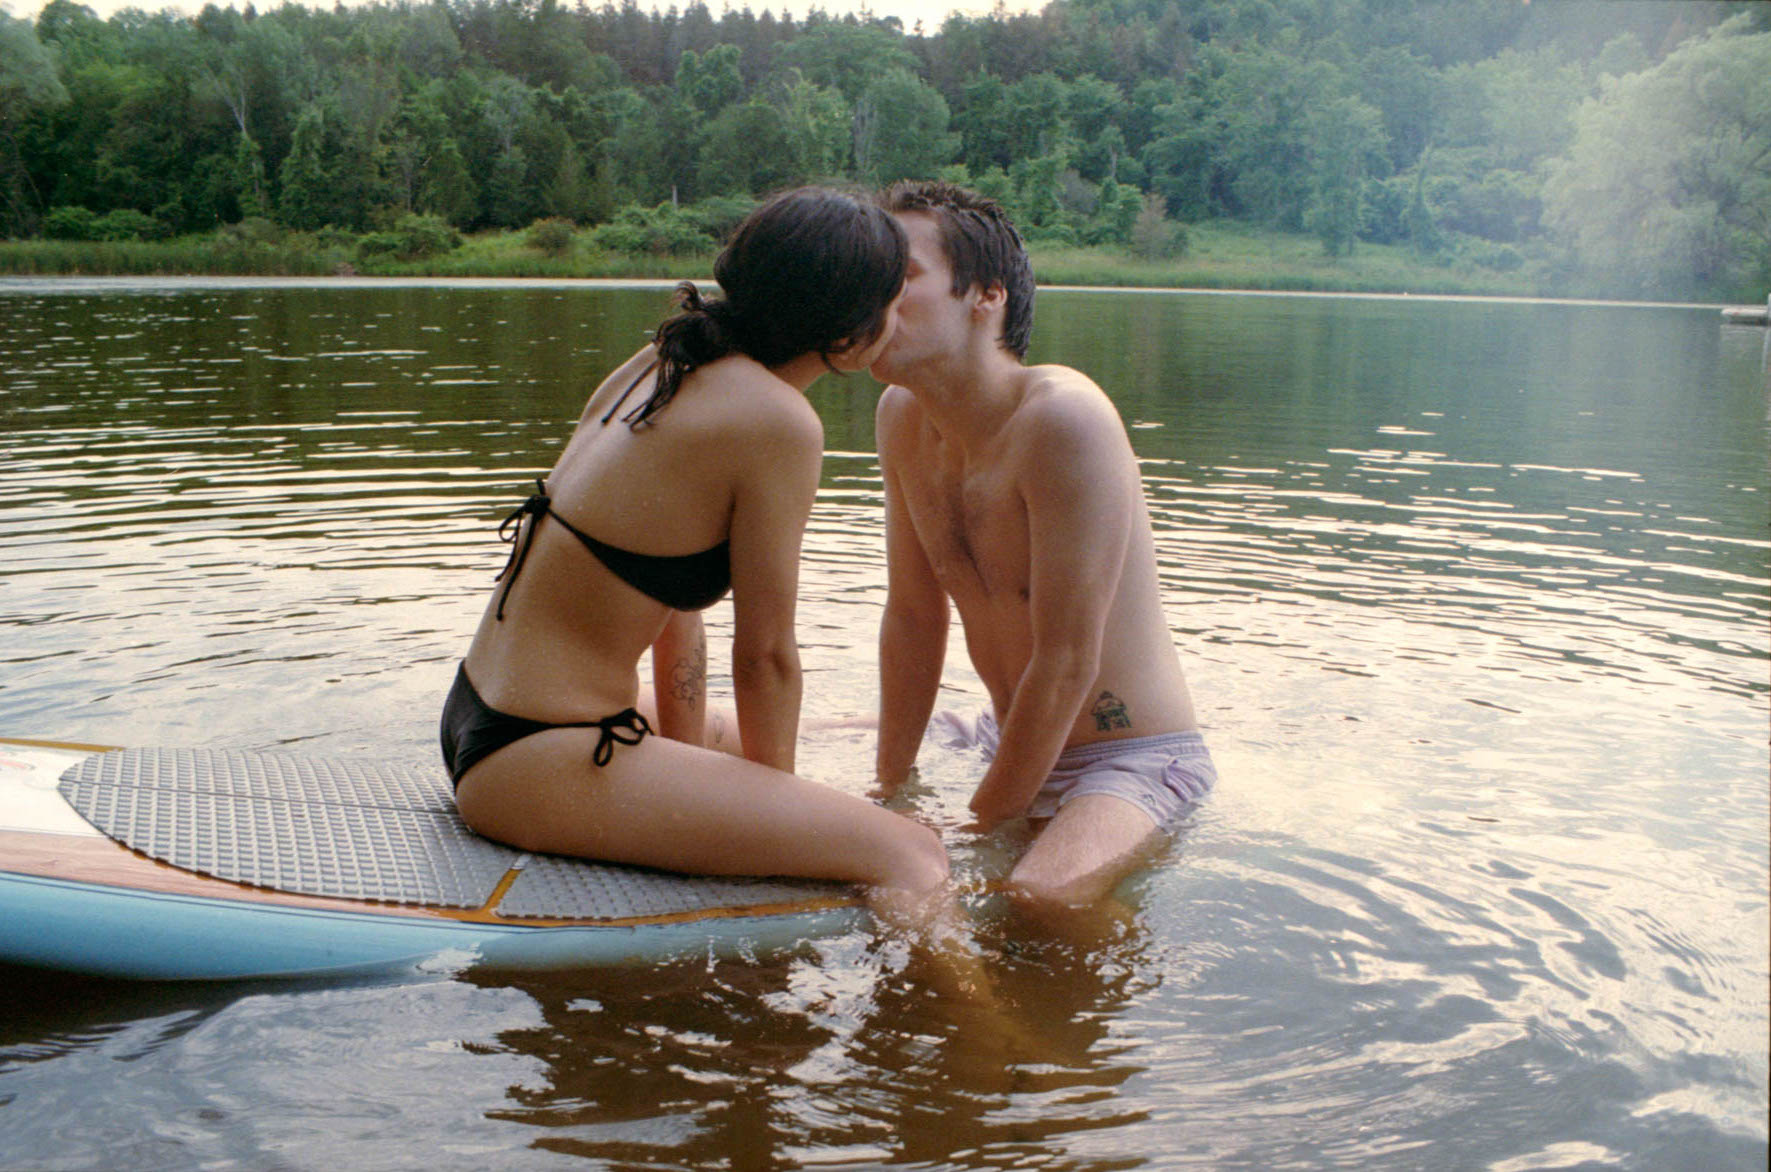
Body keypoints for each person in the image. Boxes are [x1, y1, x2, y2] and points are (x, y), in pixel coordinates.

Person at [441, 187, 953, 925]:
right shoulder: (778, 422)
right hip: (536, 760)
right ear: (847, 330)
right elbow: (768, 655)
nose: (898, 318)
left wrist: (721, 783)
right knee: (915, 854)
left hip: (481, 719)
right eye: (890, 300)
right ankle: (978, 1028)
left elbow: (671, 609)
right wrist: (779, 817)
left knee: (742, 739)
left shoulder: (666, 358)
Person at [869, 180, 1216, 912]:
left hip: (1124, 758)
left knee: (1035, 897)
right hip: (1005, 732)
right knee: (755, 744)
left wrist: (977, 829)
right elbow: (911, 617)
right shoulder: (900, 416)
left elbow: (1065, 662)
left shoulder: (1064, 419)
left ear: (985, 295)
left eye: (898, 277)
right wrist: (889, 794)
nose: (870, 297)